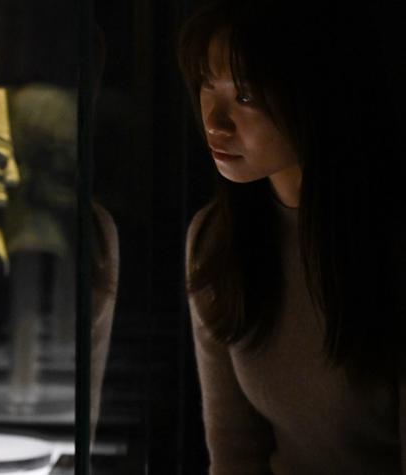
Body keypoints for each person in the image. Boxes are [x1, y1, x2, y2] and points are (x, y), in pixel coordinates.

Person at [178, 1, 406, 473]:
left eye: (245, 96)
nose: (215, 121)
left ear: (315, 96)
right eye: (206, 83)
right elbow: (235, 454)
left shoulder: (388, 247)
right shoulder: (216, 240)